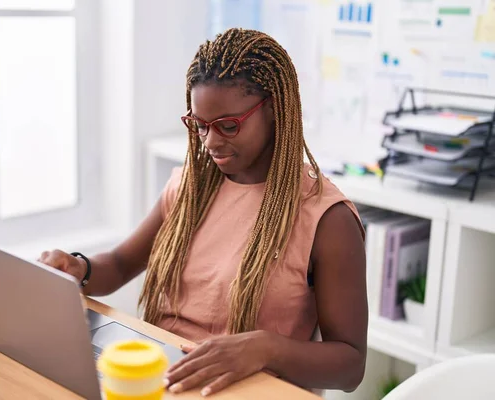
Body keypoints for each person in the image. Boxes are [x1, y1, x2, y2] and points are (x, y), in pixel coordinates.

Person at [39, 28, 367, 397]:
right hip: (164, 381)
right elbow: (118, 265)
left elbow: (350, 366)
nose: (210, 142)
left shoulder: (327, 220)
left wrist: (264, 349)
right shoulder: (189, 188)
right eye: (199, 125)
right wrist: (79, 268)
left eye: (228, 126)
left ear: (275, 109)